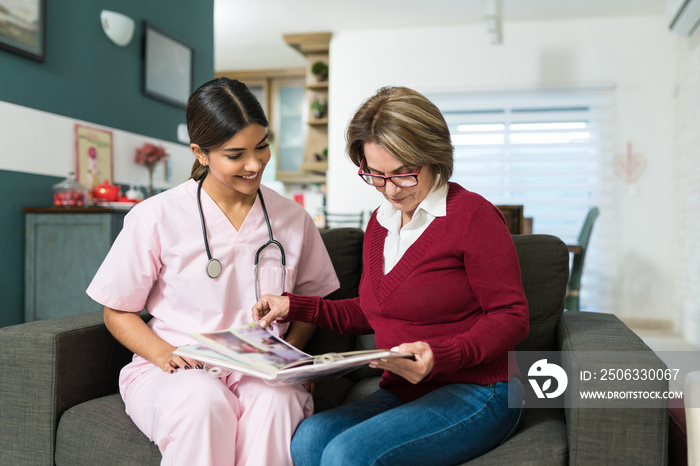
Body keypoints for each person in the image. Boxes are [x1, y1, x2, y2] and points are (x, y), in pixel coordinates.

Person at [252, 86, 529, 466]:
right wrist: (294, 306)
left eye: (403, 174)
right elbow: (374, 309)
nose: (390, 189)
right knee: (308, 438)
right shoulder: (379, 224)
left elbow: (512, 317)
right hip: (405, 389)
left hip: (480, 389)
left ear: (435, 157)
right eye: (376, 175)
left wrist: (440, 354)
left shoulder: (473, 217)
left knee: (348, 454)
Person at [87, 77, 340, 466]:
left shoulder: (293, 219)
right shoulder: (156, 217)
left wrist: (292, 355)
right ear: (200, 153)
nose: (254, 164)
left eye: (262, 146)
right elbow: (116, 310)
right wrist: (163, 353)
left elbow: (311, 301)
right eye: (235, 154)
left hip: (261, 367)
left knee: (279, 400)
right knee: (204, 401)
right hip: (178, 368)